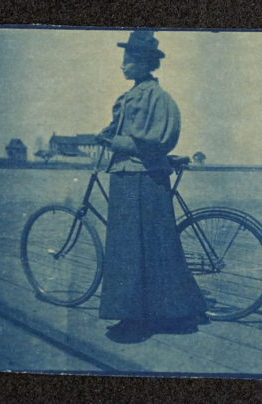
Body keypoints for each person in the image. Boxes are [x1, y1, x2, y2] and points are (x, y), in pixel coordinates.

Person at [96, 31, 207, 342]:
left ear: (145, 62)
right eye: (123, 59)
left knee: (133, 249)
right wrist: (108, 134)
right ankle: (167, 314)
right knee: (148, 248)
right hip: (133, 176)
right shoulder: (134, 95)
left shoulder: (155, 97)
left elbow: (153, 141)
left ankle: (137, 320)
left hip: (139, 178)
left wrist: (114, 141)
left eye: (129, 60)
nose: (123, 65)